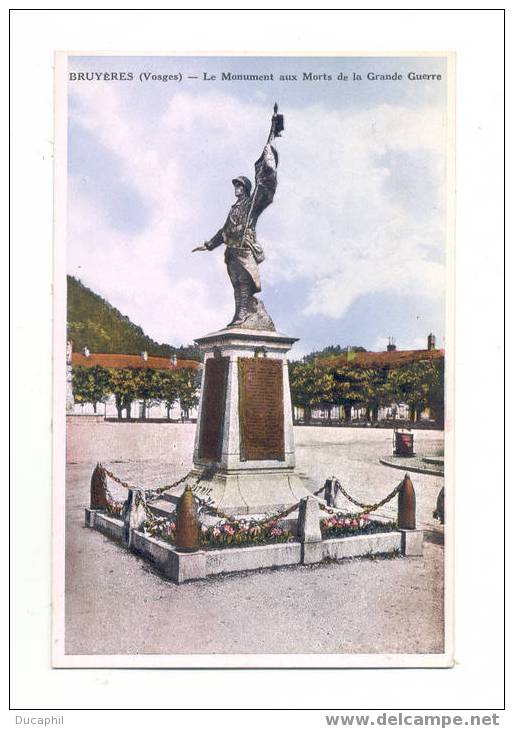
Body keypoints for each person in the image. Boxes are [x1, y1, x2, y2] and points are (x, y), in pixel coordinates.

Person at [193, 107, 282, 328]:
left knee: (244, 283)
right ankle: (239, 316)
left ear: (246, 188)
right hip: (231, 250)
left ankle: (243, 314)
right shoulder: (233, 209)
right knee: (236, 284)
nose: (236, 188)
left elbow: (265, 185)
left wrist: (269, 148)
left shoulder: (252, 205)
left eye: (240, 185)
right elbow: (224, 231)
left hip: (244, 250)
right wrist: (208, 245)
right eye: (235, 185)